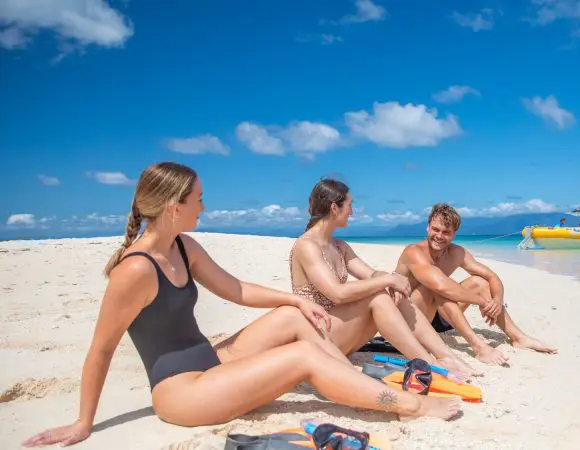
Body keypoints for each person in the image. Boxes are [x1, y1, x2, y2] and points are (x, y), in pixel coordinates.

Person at [22, 163, 460, 448]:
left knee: (293, 315)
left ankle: (344, 379)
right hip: (182, 392)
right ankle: (407, 404)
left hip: (211, 360)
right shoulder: (134, 270)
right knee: (303, 354)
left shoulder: (183, 245)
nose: (204, 205)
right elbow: (100, 348)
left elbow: (235, 289)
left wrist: (294, 299)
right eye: (198, 199)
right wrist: (83, 423)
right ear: (174, 207)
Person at [289, 179, 477, 379]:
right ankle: (428, 363)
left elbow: (371, 274)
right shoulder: (307, 246)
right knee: (378, 295)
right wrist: (387, 281)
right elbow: (337, 293)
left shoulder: (338, 245)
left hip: (341, 333)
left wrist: (390, 280)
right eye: (349, 205)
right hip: (319, 335)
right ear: (335, 208)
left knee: (387, 291)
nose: (352, 211)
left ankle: (445, 356)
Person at [393, 203, 558, 366]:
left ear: (454, 234)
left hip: (438, 316)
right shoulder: (414, 252)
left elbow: (492, 276)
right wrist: (483, 302)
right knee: (435, 288)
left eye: (446, 232)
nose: (439, 236)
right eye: (435, 229)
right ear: (427, 227)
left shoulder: (456, 253)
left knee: (480, 282)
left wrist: (497, 301)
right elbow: (441, 286)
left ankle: (518, 338)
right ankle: (478, 347)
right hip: (408, 320)